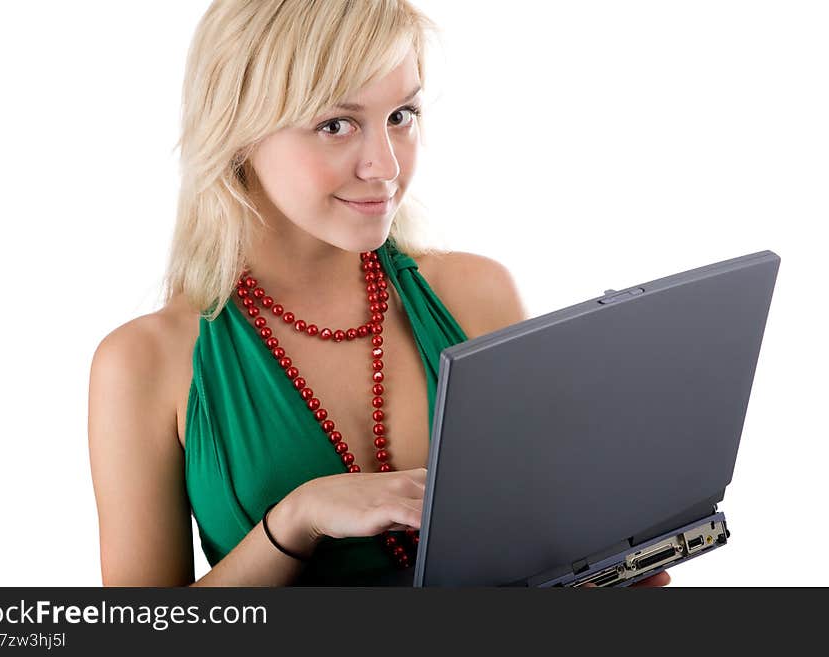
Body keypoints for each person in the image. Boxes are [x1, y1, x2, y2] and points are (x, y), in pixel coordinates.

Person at [87, 0, 670, 588]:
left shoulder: (476, 296)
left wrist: (605, 573)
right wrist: (295, 521)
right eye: (335, 125)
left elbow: (546, 540)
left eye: (402, 114)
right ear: (237, 132)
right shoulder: (144, 363)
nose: (385, 165)